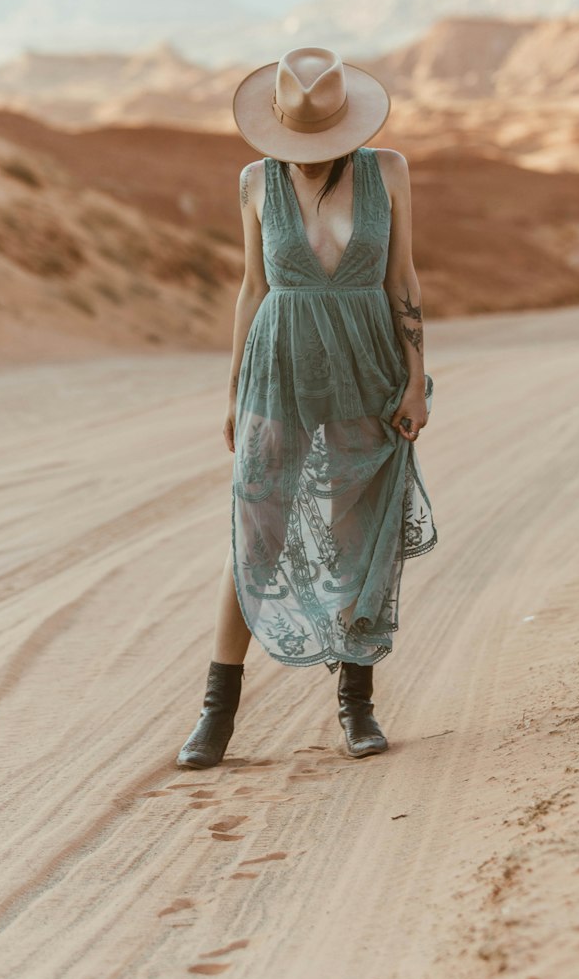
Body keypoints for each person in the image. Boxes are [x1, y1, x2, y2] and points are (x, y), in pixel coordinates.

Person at [176, 46, 437, 769]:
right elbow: (252, 288)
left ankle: (358, 706)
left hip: (366, 363)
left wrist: (416, 377)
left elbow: (403, 277)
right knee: (255, 529)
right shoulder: (255, 180)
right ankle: (215, 714)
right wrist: (233, 392)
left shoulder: (388, 171)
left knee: (357, 535)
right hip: (278, 363)